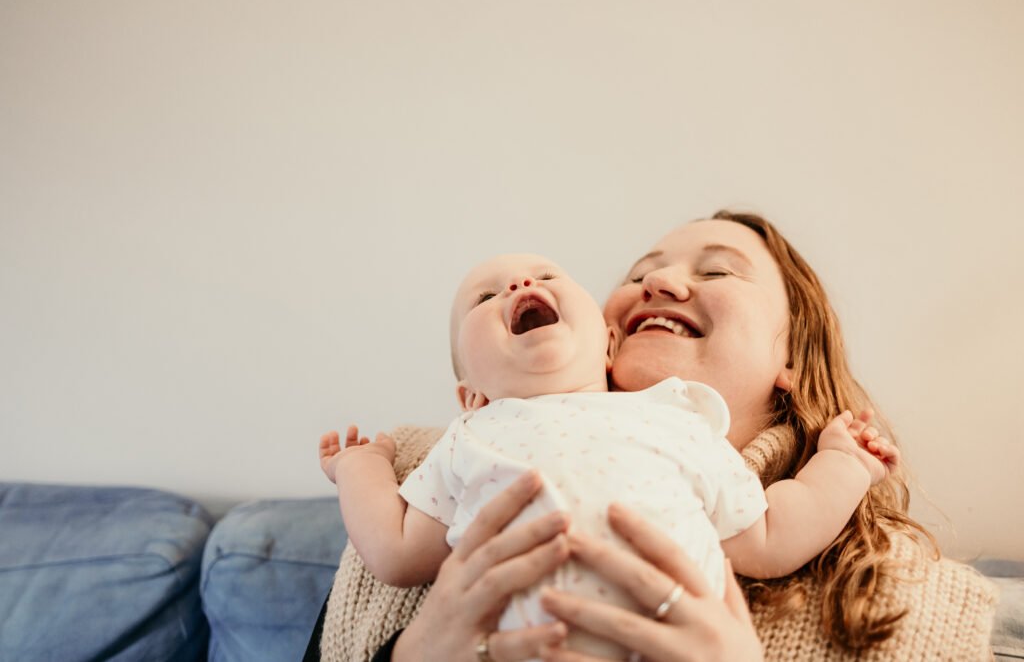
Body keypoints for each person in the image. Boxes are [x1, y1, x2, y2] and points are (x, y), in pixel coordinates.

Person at [313, 211, 996, 662]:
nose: (659, 281)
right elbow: (395, 548)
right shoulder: (430, 458)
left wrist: (843, 463)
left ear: (794, 357)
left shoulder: (901, 589)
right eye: (636, 276)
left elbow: (773, 531)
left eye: (717, 271)